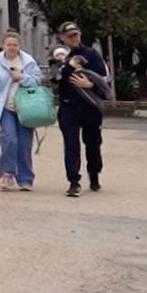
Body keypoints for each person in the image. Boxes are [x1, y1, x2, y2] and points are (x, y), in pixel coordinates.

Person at [0, 30, 43, 191]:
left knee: (24, 143)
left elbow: (38, 80)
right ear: (4, 45)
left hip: (26, 108)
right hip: (6, 108)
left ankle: (25, 178)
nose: (12, 47)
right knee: (9, 140)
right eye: (9, 44)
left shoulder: (28, 62)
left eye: (15, 45)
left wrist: (22, 78)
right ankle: (7, 173)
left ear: (19, 46)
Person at [54, 21, 110, 197]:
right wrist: (69, 65)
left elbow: (104, 79)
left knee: (93, 143)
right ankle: (74, 181)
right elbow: (55, 77)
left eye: (76, 35)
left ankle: (94, 175)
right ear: (62, 37)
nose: (73, 38)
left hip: (90, 106)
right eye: (69, 36)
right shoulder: (58, 55)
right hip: (68, 107)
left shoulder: (91, 54)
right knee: (71, 145)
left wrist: (90, 85)